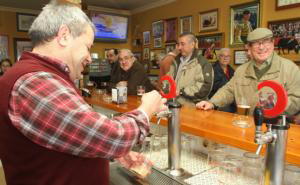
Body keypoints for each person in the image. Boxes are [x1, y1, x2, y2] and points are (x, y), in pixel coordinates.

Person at [0, 1, 167, 185]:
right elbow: (113, 136)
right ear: (64, 36)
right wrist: (146, 110)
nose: (89, 57)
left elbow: (70, 135)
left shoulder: (42, 76)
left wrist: (112, 153)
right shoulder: (33, 82)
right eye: (87, 47)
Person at [196, 28, 300, 117]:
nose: (261, 47)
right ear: (249, 48)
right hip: (245, 125)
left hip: (274, 128)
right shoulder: (241, 70)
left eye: (266, 41)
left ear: (273, 44)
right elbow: (229, 90)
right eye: (256, 43)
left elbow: (297, 100)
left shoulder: (290, 68)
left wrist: (272, 107)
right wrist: (212, 103)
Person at [166, 32, 214, 106]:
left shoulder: (203, 63)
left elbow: (204, 88)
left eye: (182, 44)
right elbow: (167, 80)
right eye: (178, 44)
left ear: (192, 45)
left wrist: (182, 91)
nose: (179, 47)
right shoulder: (175, 61)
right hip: (172, 105)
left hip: (192, 109)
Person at [209, 48, 235, 113]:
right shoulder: (211, 69)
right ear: (218, 57)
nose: (225, 58)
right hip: (216, 103)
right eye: (222, 56)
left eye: (228, 56)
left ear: (230, 58)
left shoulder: (233, 71)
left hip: (230, 103)